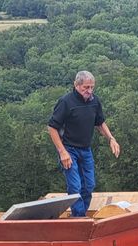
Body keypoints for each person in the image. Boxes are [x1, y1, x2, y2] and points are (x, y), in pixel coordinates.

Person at [47, 71, 121, 217]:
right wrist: (62, 152)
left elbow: (99, 123)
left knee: (89, 185)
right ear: (76, 85)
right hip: (68, 149)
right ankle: (79, 217)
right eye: (86, 87)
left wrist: (111, 138)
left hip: (85, 149)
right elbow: (52, 127)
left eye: (92, 87)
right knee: (75, 186)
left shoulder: (94, 101)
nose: (89, 91)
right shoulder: (66, 102)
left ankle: (81, 214)